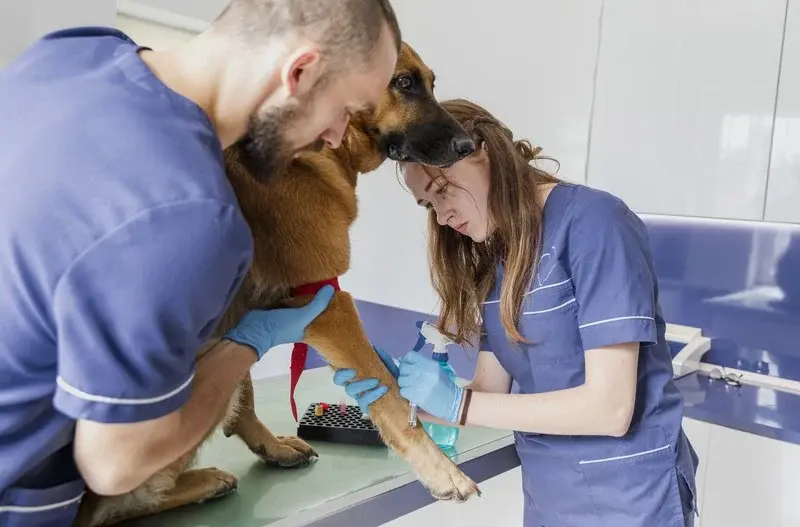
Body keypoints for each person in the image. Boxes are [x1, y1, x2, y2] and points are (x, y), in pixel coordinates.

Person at [0, 0, 401, 524]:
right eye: (347, 109)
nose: (335, 137)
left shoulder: (72, 54)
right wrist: (245, 346)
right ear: (299, 72)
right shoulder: (190, 212)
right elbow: (116, 466)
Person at [335, 99, 699, 526]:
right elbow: (490, 389)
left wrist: (457, 404)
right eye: (427, 205)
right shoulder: (498, 255)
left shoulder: (595, 222)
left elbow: (611, 408)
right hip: (549, 497)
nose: (442, 214)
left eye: (442, 189)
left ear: (480, 151)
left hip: (631, 497)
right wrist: (403, 396)